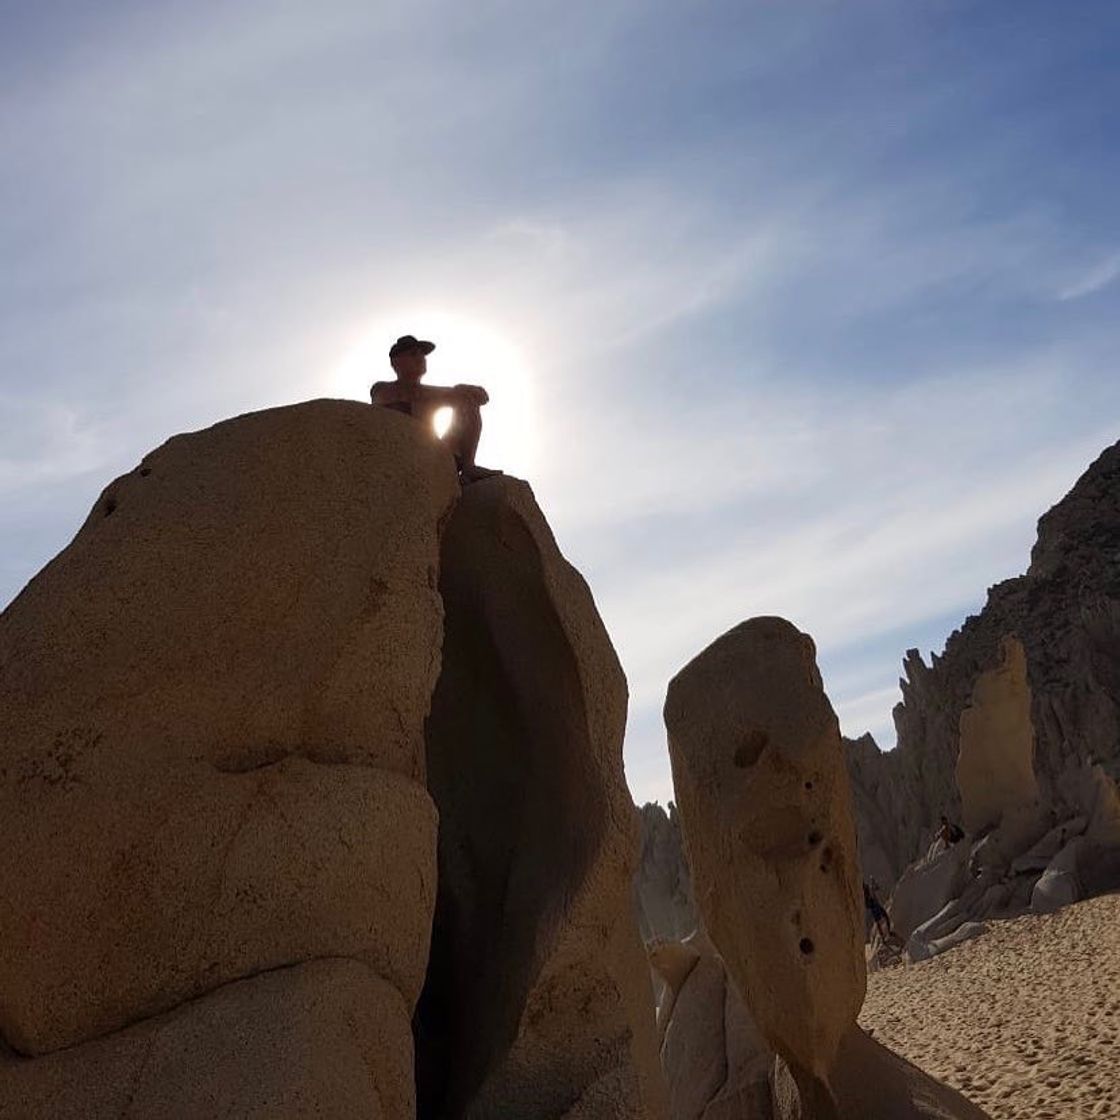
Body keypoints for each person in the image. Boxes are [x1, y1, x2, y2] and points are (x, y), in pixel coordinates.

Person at [370, 334, 501, 483]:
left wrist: (459, 391)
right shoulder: (382, 388)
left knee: (467, 403)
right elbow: (403, 396)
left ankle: (468, 467)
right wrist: (453, 392)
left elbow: (482, 397)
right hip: (398, 454)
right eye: (413, 354)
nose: (421, 358)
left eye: (422, 355)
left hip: (431, 453)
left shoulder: (431, 394)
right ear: (396, 362)